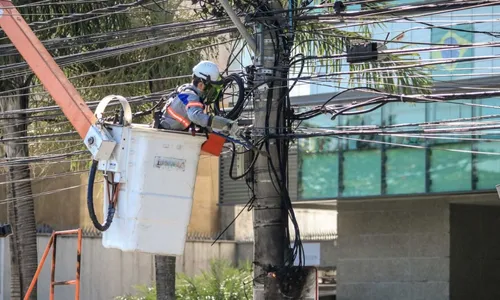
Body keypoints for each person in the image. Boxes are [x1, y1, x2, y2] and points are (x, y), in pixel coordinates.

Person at [158, 60, 240, 136]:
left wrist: (217, 127)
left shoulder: (186, 89)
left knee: (216, 136)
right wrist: (225, 124)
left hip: (171, 133)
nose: (212, 92)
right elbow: (196, 116)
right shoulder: (191, 96)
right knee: (215, 141)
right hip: (168, 136)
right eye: (211, 88)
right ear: (201, 85)